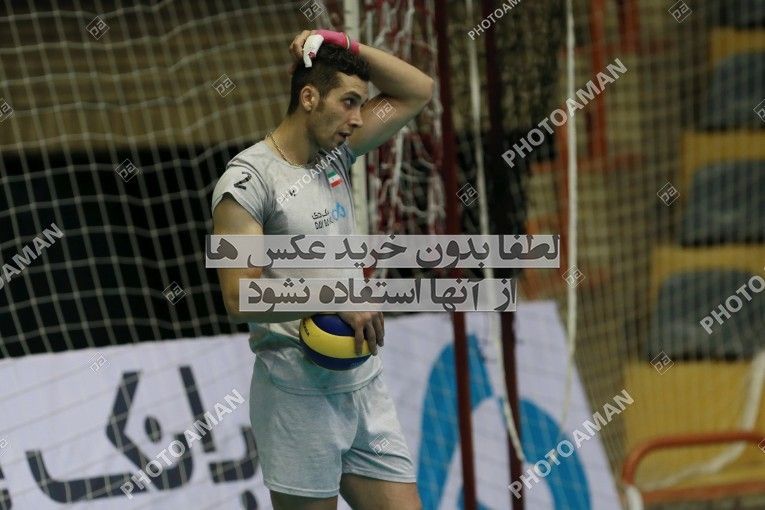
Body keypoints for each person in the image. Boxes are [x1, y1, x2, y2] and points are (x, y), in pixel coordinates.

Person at [210, 29, 433, 510]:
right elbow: (238, 296)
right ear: (309, 98)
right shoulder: (246, 182)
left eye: (362, 105)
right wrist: (335, 296)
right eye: (349, 102)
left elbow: (417, 90)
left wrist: (337, 43)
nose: (358, 118)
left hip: (363, 384)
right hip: (297, 395)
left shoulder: (335, 155)